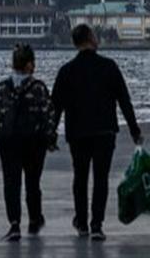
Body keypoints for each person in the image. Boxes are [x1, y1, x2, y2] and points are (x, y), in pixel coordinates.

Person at [51, 23, 144, 241]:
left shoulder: (66, 71)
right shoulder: (109, 67)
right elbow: (124, 100)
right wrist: (134, 130)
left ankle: (81, 222)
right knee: (101, 179)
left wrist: (50, 134)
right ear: (91, 38)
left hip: (78, 133)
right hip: (104, 131)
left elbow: (55, 106)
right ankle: (97, 225)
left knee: (80, 178)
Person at [0, 44, 56, 242]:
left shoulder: (2, 87)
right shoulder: (38, 88)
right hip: (34, 144)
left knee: (11, 184)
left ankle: (14, 223)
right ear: (29, 65)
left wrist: (0, 134)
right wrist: (49, 138)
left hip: (9, 144)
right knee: (33, 183)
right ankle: (34, 219)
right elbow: (48, 115)